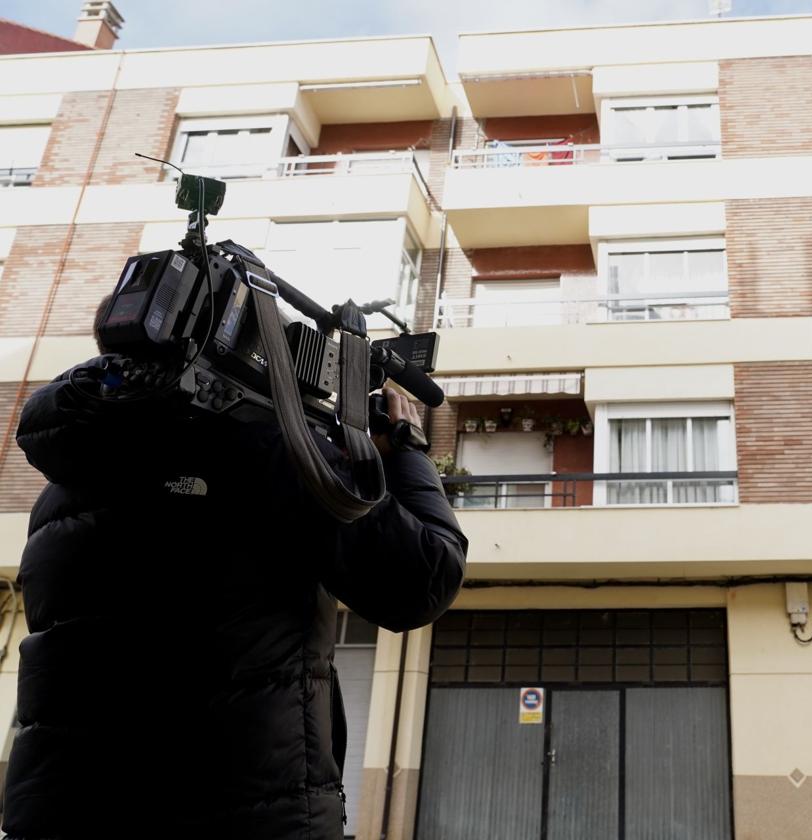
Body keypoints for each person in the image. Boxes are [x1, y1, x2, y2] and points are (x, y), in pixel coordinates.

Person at [0, 323, 467, 838]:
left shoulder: (65, 481)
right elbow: (422, 580)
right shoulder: (267, 448)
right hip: (243, 814)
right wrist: (405, 449)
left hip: (59, 812)